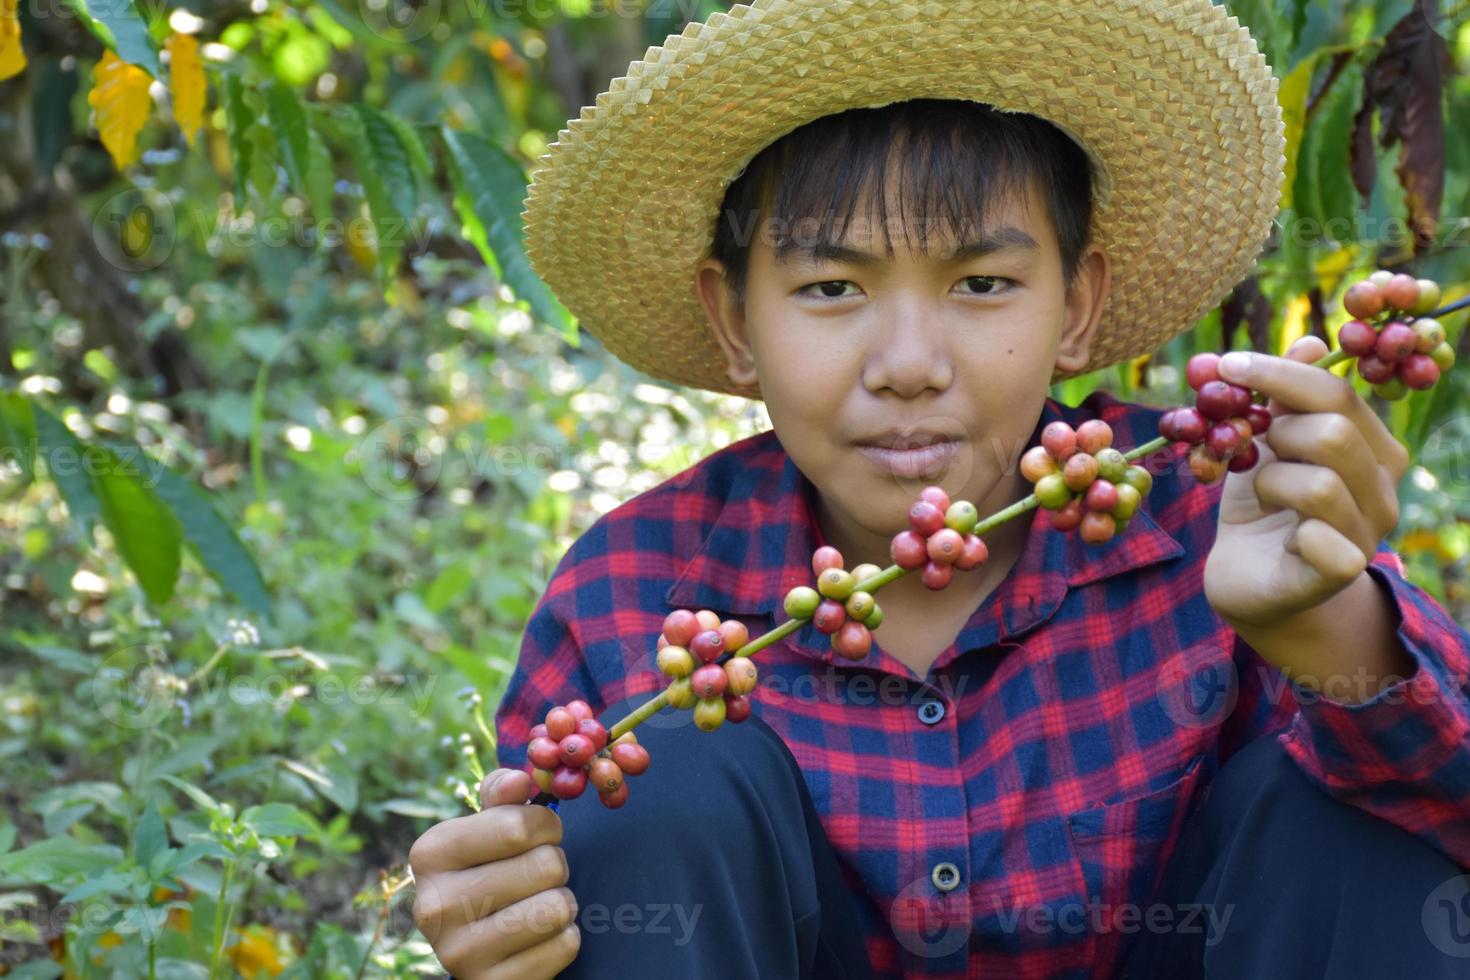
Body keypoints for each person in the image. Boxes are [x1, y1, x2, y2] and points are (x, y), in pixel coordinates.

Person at [407, 1, 1470, 976]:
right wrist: (508, 923)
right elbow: (535, 880)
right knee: (652, 794)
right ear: (736, 323)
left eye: (981, 283)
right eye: (831, 287)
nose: (909, 362)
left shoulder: (1215, 513)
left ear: (1078, 303)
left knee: (1359, 802)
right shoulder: (633, 596)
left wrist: (1335, 632)